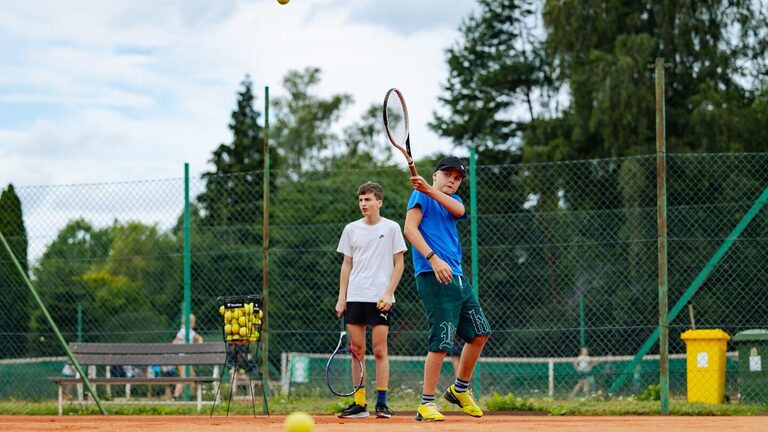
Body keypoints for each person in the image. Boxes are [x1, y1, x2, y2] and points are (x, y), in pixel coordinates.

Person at [403, 156, 491, 422]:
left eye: (457, 177)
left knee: (480, 333)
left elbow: (460, 212)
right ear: (435, 175)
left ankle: (459, 390)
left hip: (458, 278)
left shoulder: (452, 201)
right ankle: (426, 403)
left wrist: (429, 189)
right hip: (433, 275)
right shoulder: (419, 197)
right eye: (447, 174)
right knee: (441, 340)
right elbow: (409, 229)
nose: (452, 180)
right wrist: (433, 258)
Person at [335, 181, 407, 419]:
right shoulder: (351, 229)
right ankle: (359, 405)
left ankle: (382, 403)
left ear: (379, 202)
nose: (363, 204)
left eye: (367, 199)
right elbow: (346, 265)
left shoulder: (393, 228)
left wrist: (388, 293)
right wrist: (341, 298)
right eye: (360, 200)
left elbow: (400, 264)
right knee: (357, 350)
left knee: (378, 350)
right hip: (355, 296)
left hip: (380, 298)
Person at [171, 313, 204, 400]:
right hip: (182, 358)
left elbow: (199, 338)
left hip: (187, 358)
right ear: (191, 323)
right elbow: (174, 343)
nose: (194, 324)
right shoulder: (183, 331)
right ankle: (176, 396)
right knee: (184, 377)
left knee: (192, 376)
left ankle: (192, 396)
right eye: (193, 322)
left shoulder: (190, 332)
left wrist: (198, 345)